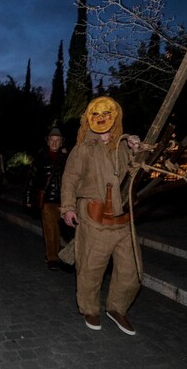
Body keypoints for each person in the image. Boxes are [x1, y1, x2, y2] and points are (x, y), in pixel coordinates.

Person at [61, 96, 142, 336]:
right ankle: (90, 308)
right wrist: (67, 208)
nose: (101, 118)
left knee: (132, 270)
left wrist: (137, 148)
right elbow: (70, 179)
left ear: (115, 115)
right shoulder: (82, 148)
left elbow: (137, 171)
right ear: (89, 119)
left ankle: (117, 308)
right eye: (95, 114)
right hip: (94, 218)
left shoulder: (124, 146)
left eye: (106, 113)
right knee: (90, 268)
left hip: (124, 221)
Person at [26, 127, 68, 270]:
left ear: (62, 142)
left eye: (58, 140)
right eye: (52, 140)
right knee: (50, 229)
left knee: (59, 230)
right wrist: (28, 198)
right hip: (47, 200)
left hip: (64, 201)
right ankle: (52, 257)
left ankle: (53, 254)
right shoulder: (40, 157)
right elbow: (32, 178)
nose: (55, 143)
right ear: (48, 141)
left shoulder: (66, 158)